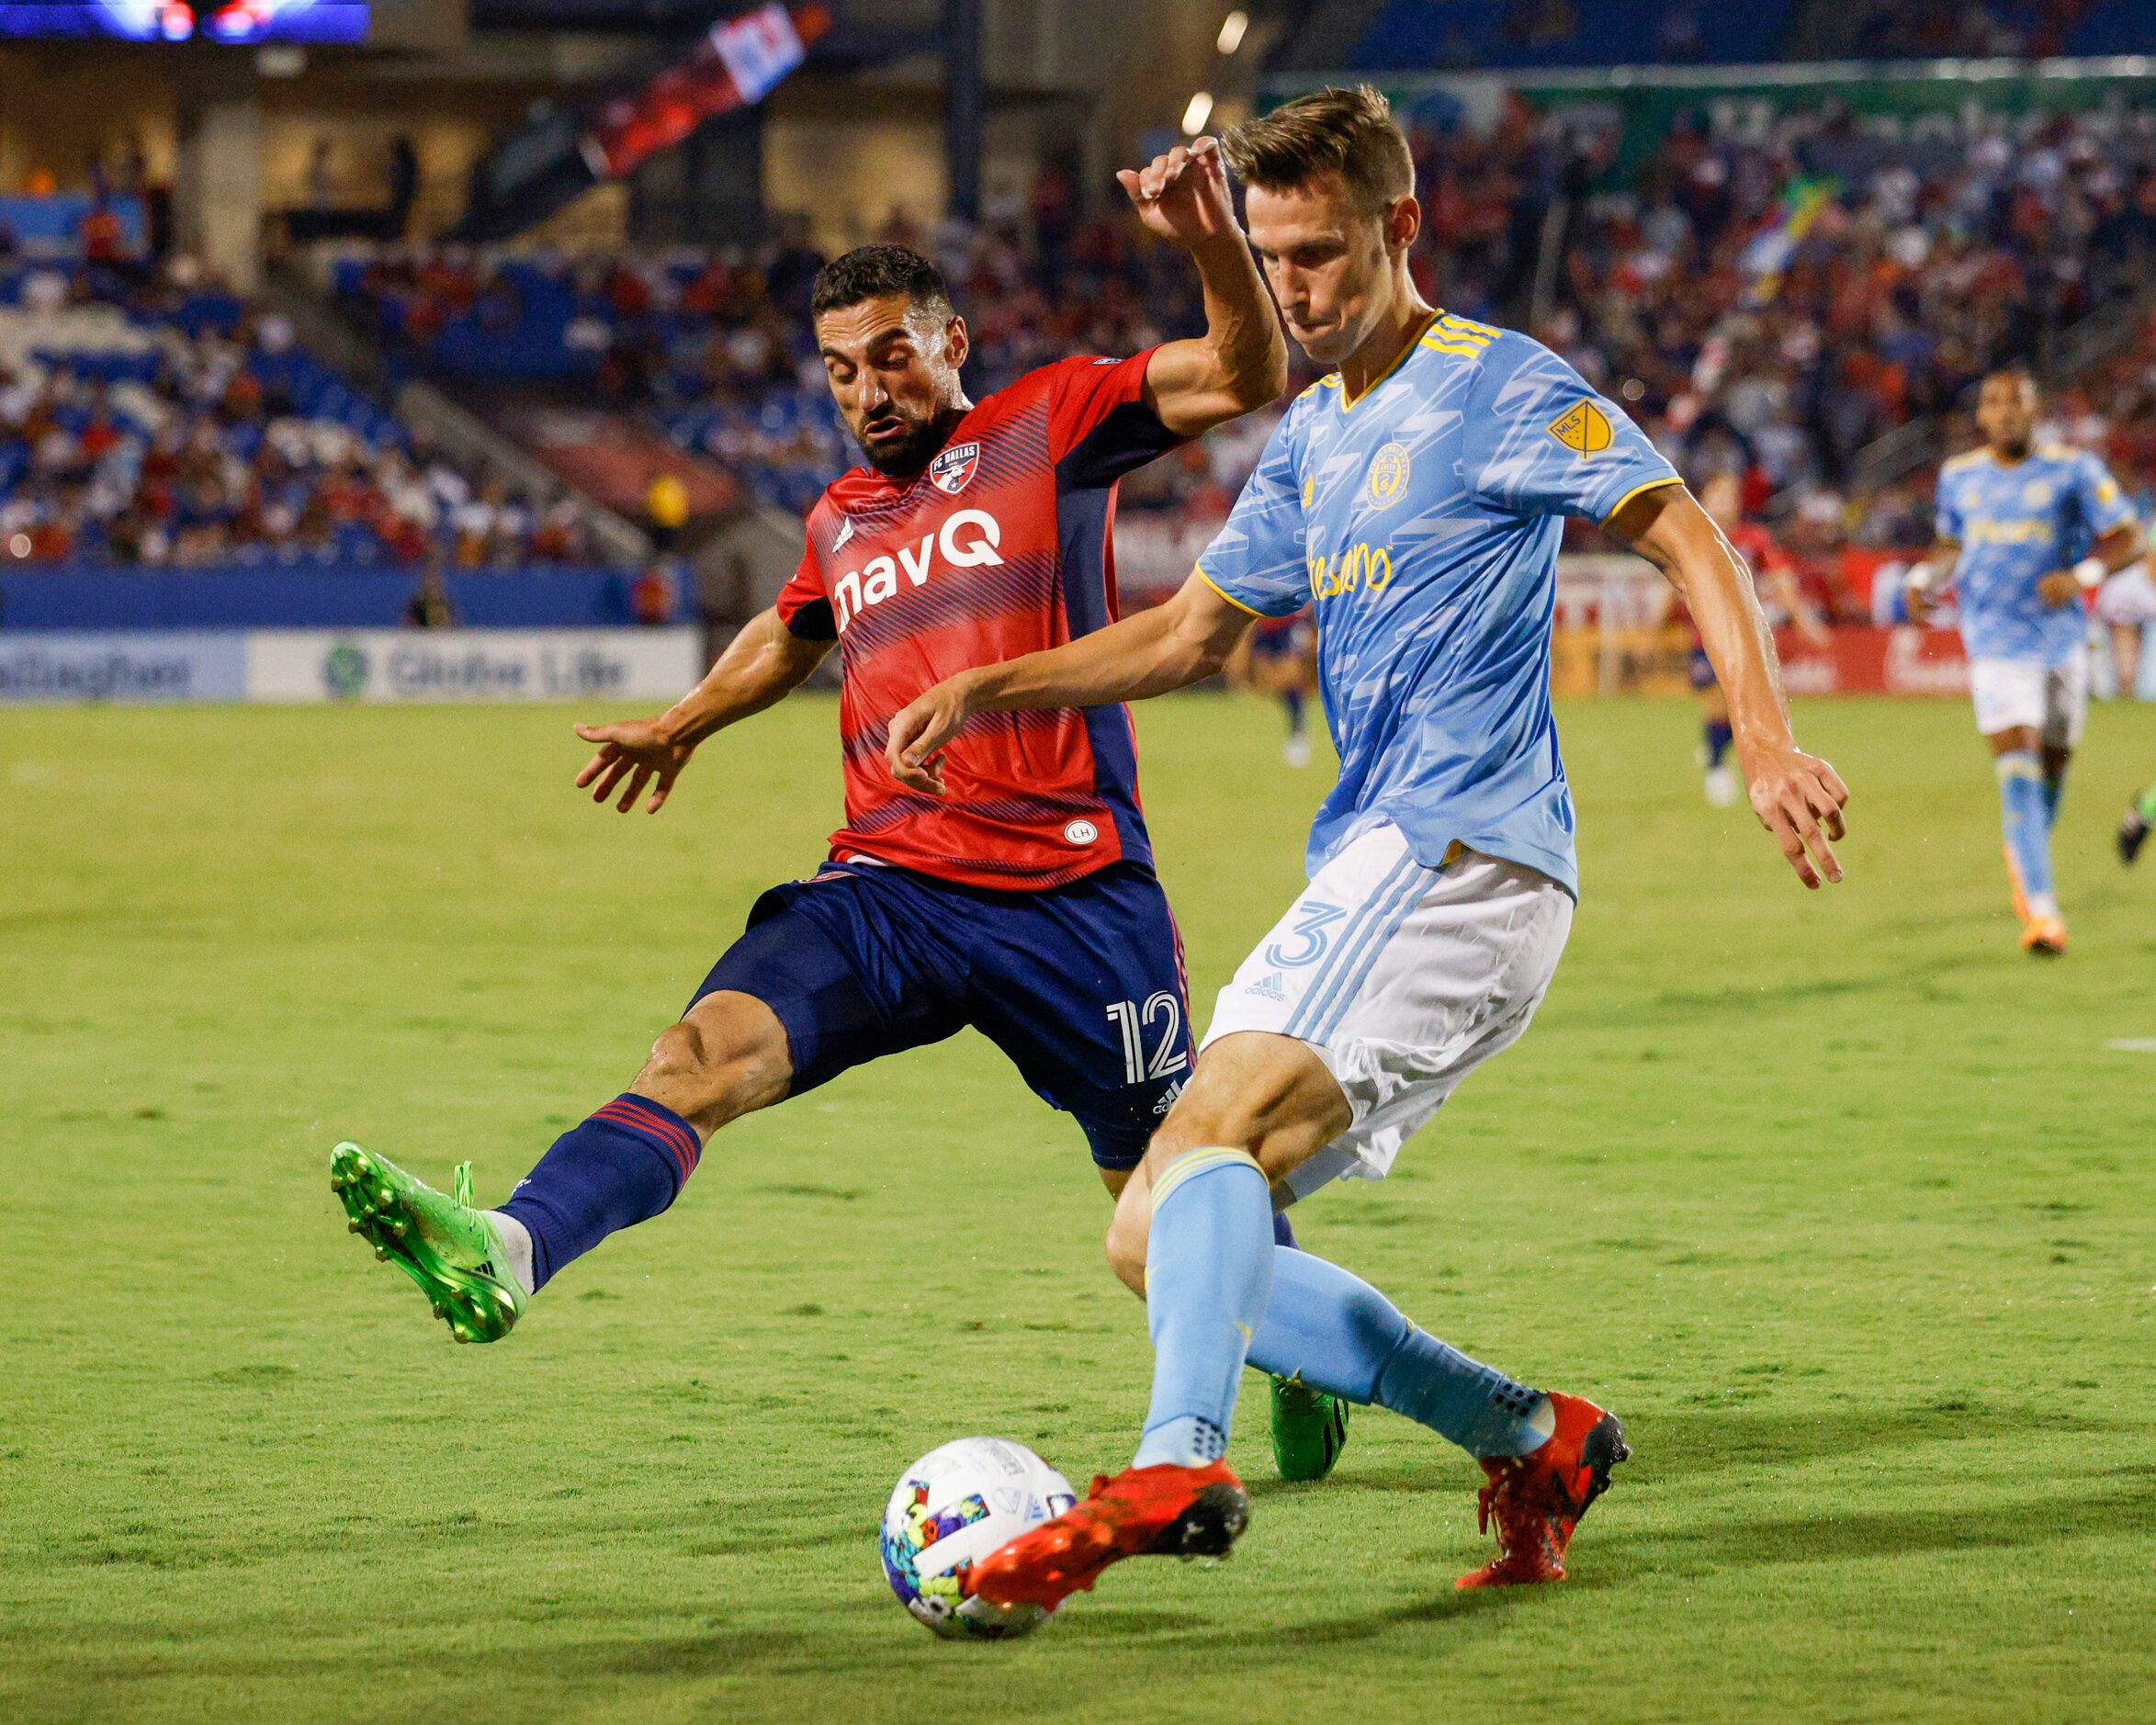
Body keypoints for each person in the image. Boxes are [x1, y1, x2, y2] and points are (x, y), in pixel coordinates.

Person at [886, 85, 1849, 1599]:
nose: (1296, 293)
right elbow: (1193, 631)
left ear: (1400, 227)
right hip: (1370, 864)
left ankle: (1176, 1456)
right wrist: (995, 679)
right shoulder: (1313, 435)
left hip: (1462, 855)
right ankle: (1532, 1433)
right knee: (1157, 1232)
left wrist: (1769, 731)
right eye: (1270, 260)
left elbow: (1680, 529)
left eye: (1321, 253)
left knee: (1210, 1142)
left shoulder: (1500, 385)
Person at [328, 144, 1351, 1471]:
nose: (868, 392)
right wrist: (682, 722)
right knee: (695, 1058)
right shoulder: (837, 518)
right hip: (885, 887)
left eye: (892, 357)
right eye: (841, 370)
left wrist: (1208, 233)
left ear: (950, 344)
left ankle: (1300, 1338)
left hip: (1071, 899)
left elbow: (1244, 370)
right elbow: (789, 628)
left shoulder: (1050, 422)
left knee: (1170, 1212)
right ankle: (513, 1245)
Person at [1906, 369, 2143, 955]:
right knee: (2018, 766)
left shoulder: (2074, 470)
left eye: (2016, 402)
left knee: (2053, 766)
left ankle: (2026, 855)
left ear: (2037, 411)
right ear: (1981, 416)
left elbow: (2131, 539)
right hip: (1994, 641)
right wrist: (1922, 576)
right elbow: (1949, 545)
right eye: (1993, 403)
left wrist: (2082, 575)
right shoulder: (1959, 477)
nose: (2005, 412)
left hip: (2062, 642)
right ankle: (2042, 913)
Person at [1691, 472, 1827, 807]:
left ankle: (1719, 753)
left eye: (1730, 495)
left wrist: (1804, 620)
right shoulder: (1693, 535)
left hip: (1744, 635)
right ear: (1704, 499)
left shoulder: (1753, 538)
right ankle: (1716, 767)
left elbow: (1781, 580)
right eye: (1717, 494)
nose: (1724, 502)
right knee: (1717, 703)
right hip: (1704, 634)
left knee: (1745, 705)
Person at [1226, 608, 1319, 767]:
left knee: (1291, 677)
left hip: (1290, 623)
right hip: (1266, 624)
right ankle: (1296, 730)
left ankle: (1298, 734)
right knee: (1272, 680)